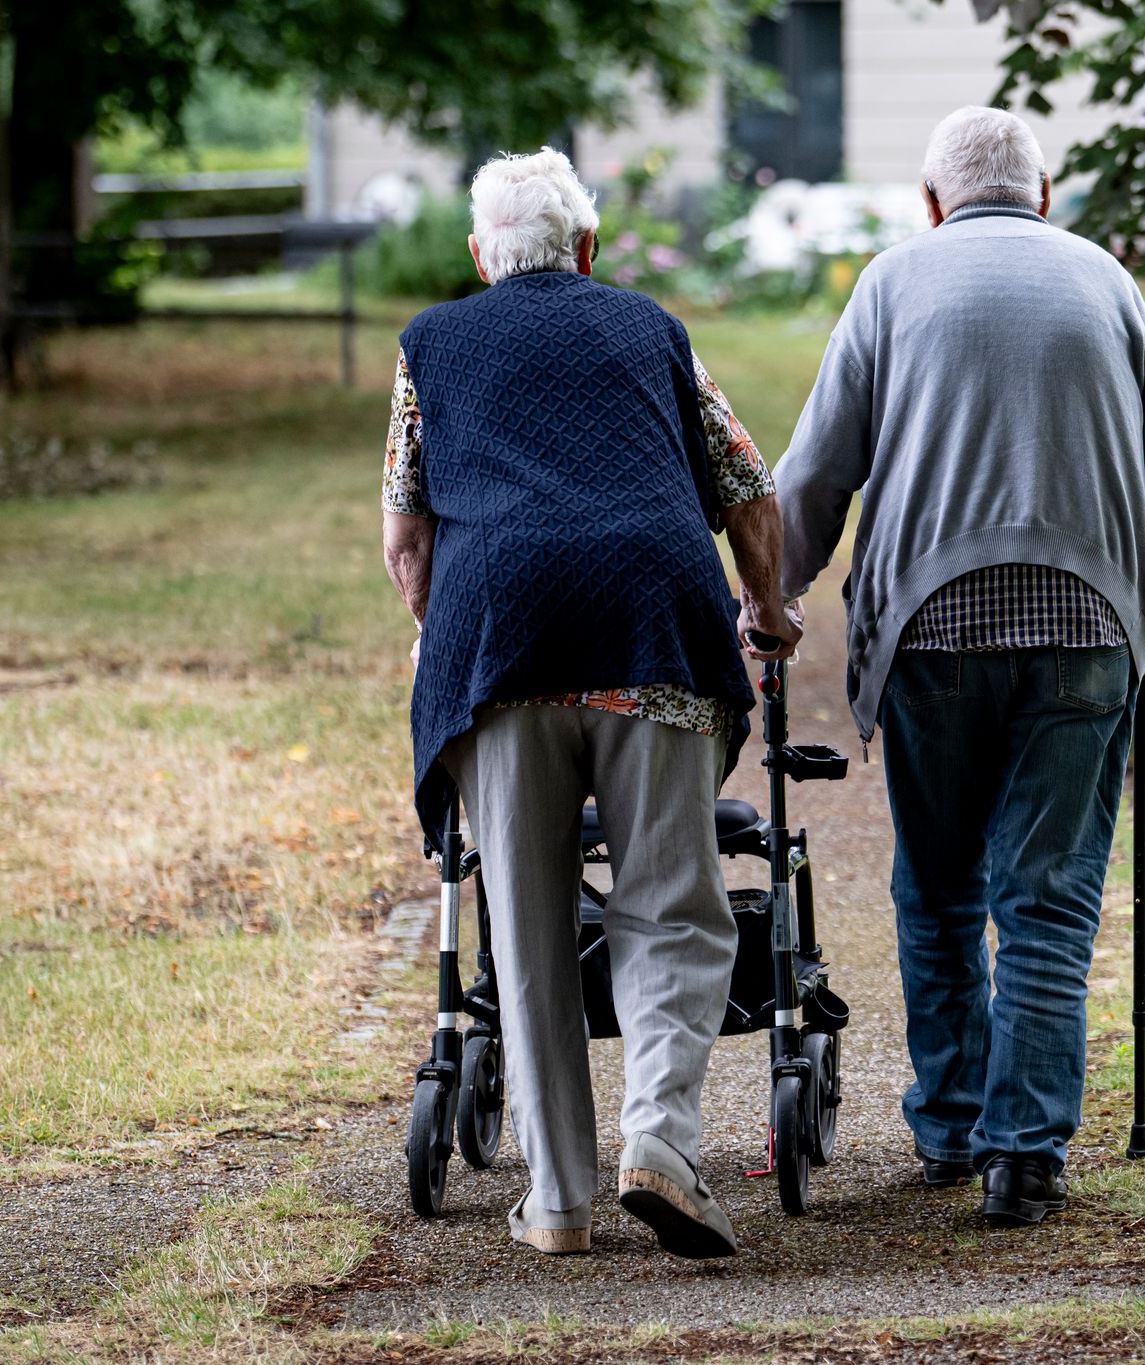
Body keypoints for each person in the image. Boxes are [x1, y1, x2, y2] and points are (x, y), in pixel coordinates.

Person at [774, 107, 1145, 1227]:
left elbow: (817, 473)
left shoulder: (890, 282)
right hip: (1083, 625)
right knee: (1048, 899)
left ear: (932, 202)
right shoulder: (1107, 283)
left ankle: (952, 1127)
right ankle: (1023, 1159)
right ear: (1045, 193)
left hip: (930, 631)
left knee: (936, 890)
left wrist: (768, 594)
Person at [380, 147, 800, 1259]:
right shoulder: (650, 331)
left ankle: (558, 1202)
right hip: (648, 628)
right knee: (668, 903)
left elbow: (406, 534)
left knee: (520, 929)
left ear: (479, 258)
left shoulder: (431, 343)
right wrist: (768, 607)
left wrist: (440, 634)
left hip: (498, 647)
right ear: (589, 248)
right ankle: (659, 1141)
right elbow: (746, 487)